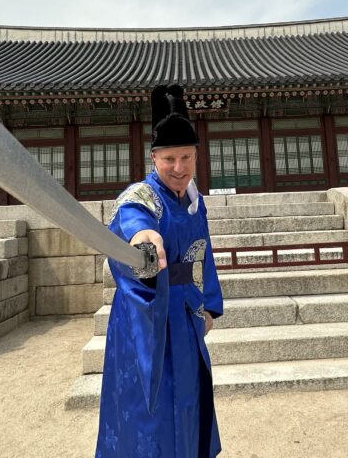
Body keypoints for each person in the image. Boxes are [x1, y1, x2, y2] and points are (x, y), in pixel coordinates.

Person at [96, 84, 224, 458]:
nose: (179, 168)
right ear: (154, 158)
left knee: (188, 401)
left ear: (197, 156)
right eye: (170, 159)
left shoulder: (194, 202)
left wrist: (209, 306)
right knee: (148, 411)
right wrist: (142, 237)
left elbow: (202, 257)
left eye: (186, 157)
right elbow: (130, 222)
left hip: (185, 314)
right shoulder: (142, 196)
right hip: (147, 319)